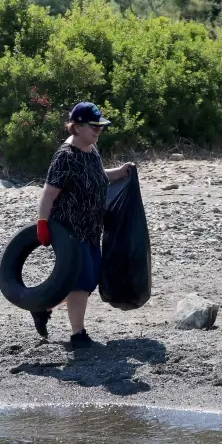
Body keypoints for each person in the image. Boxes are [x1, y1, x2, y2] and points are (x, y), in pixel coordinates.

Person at [33, 101, 135, 348]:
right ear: (76, 127)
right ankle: (78, 334)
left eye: (100, 126)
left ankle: (43, 306)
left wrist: (120, 172)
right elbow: (49, 193)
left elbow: (97, 178)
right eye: (94, 126)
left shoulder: (91, 150)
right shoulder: (65, 157)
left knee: (87, 280)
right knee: (81, 281)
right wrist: (42, 223)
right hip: (68, 230)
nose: (98, 130)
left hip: (91, 229)